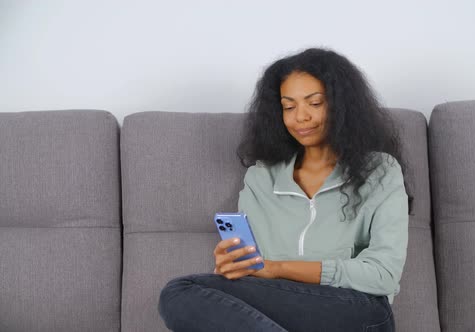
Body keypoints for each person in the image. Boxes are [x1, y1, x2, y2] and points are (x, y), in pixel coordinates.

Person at [158, 48, 409, 332]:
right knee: (179, 295)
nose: (300, 117)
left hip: (357, 311)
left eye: (315, 103)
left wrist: (277, 268)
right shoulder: (261, 177)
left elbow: (383, 275)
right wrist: (231, 269)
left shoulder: (380, 170)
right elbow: (255, 275)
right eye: (288, 107)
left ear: (342, 106)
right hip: (279, 310)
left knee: (182, 290)